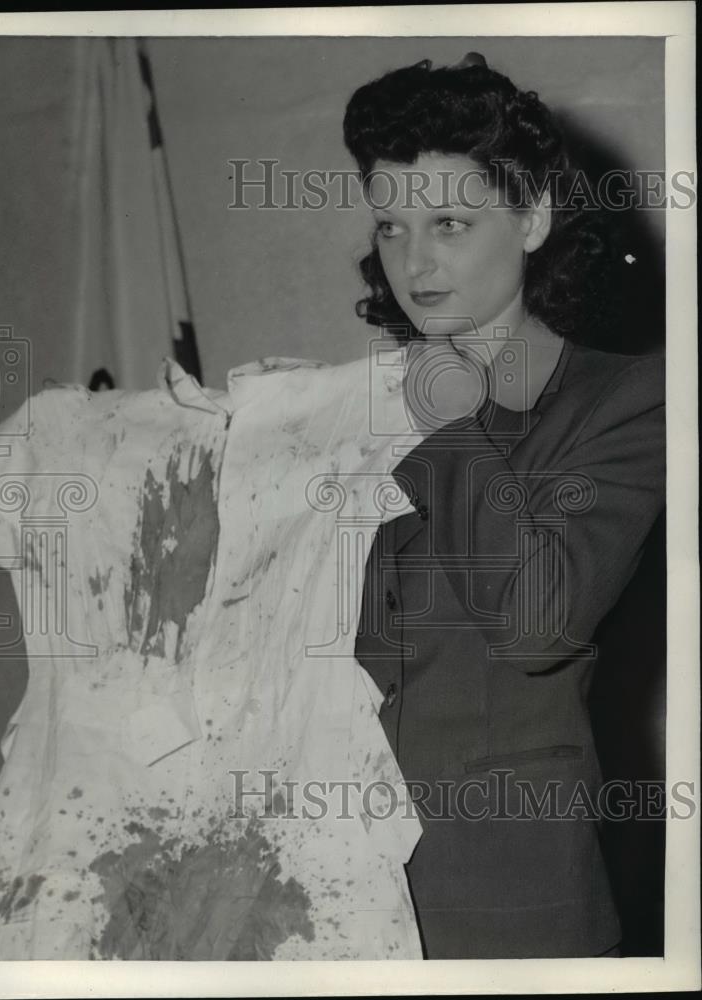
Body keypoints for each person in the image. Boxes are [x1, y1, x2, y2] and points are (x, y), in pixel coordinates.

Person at [347, 56, 665, 958]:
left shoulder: (624, 401)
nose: (414, 261)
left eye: (450, 221)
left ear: (531, 218)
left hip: (508, 904)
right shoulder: (358, 414)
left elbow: (536, 625)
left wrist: (452, 427)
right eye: (392, 225)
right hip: (340, 893)